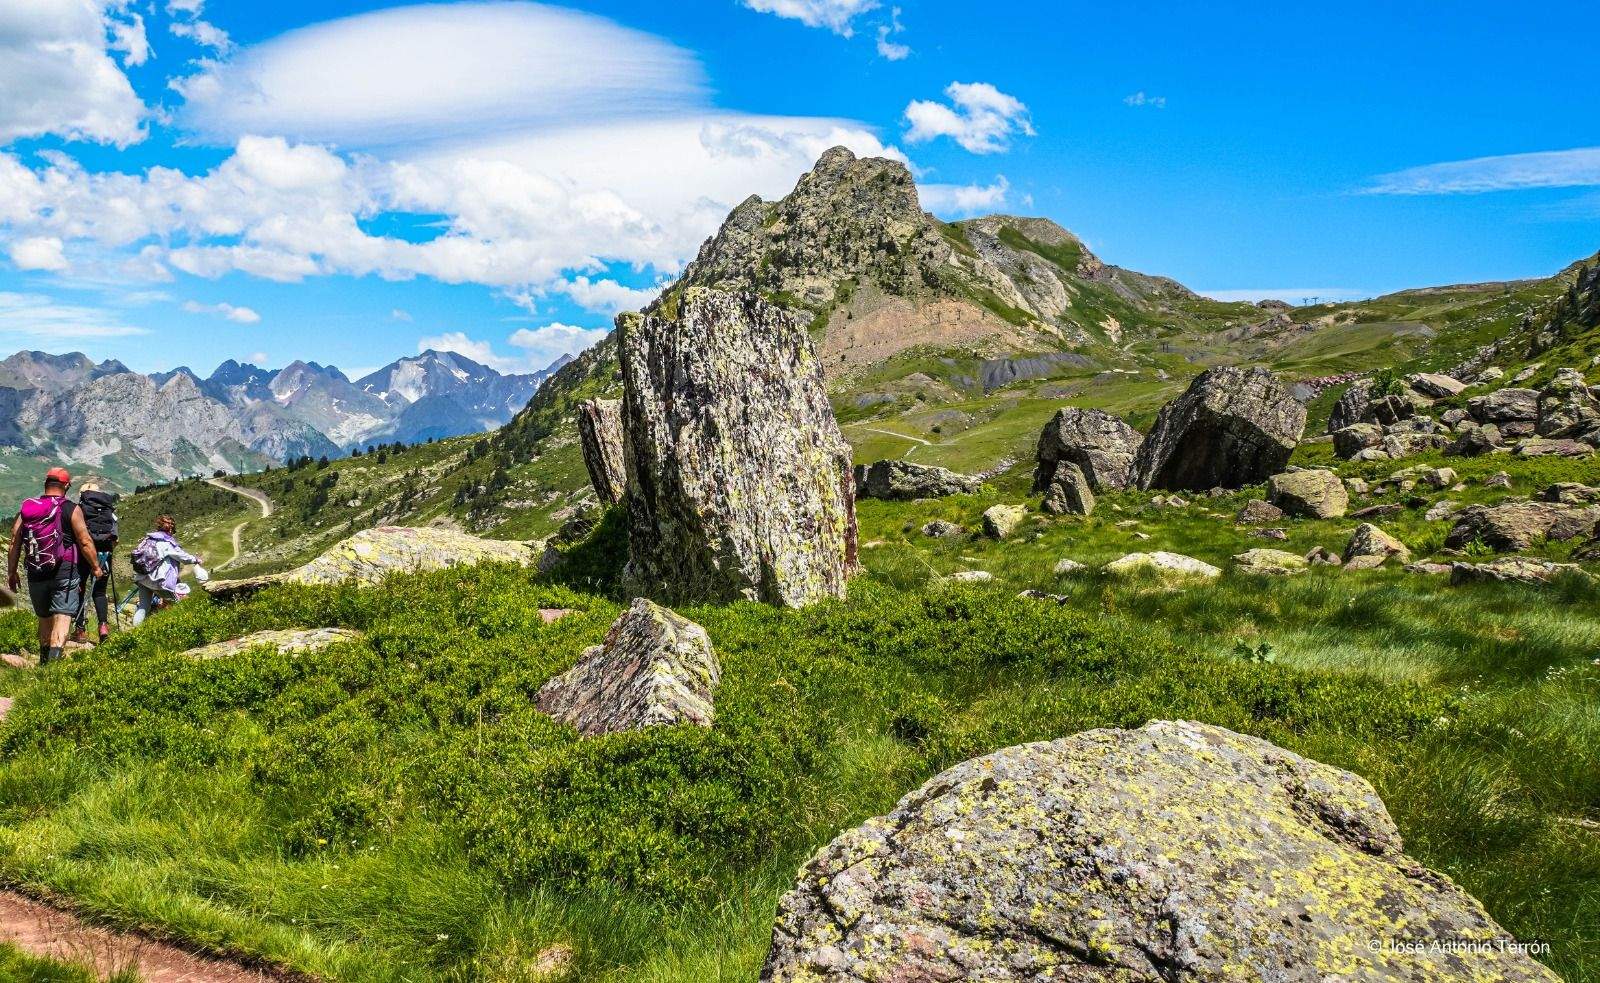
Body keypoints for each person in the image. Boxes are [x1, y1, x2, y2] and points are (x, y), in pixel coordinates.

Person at [6, 467, 104, 665]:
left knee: (44, 618)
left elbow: (14, 542)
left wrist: (11, 571)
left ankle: (43, 661)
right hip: (65, 570)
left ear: (45, 484)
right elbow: (84, 541)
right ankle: (52, 667)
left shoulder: (27, 509)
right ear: (66, 486)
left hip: (35, 571)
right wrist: (96, 567)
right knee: (62, 616)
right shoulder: (71, 508)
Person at [130, 516, 203, 626]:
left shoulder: (148, 539)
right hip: (159, 581)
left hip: (143, 578)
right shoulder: (167, 542)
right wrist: (195, 559)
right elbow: (181, 556)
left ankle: (134, 633)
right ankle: (185, 628)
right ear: (170, 529)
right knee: (178, 605)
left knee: (143, 606)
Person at [73, 481, 119, 644]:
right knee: (99, 592)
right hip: (105, 554)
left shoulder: (80, 509)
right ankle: (103, 627)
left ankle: (80, 630)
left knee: (80, 589)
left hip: (83, 554)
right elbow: (115, 539)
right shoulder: (110, 511)